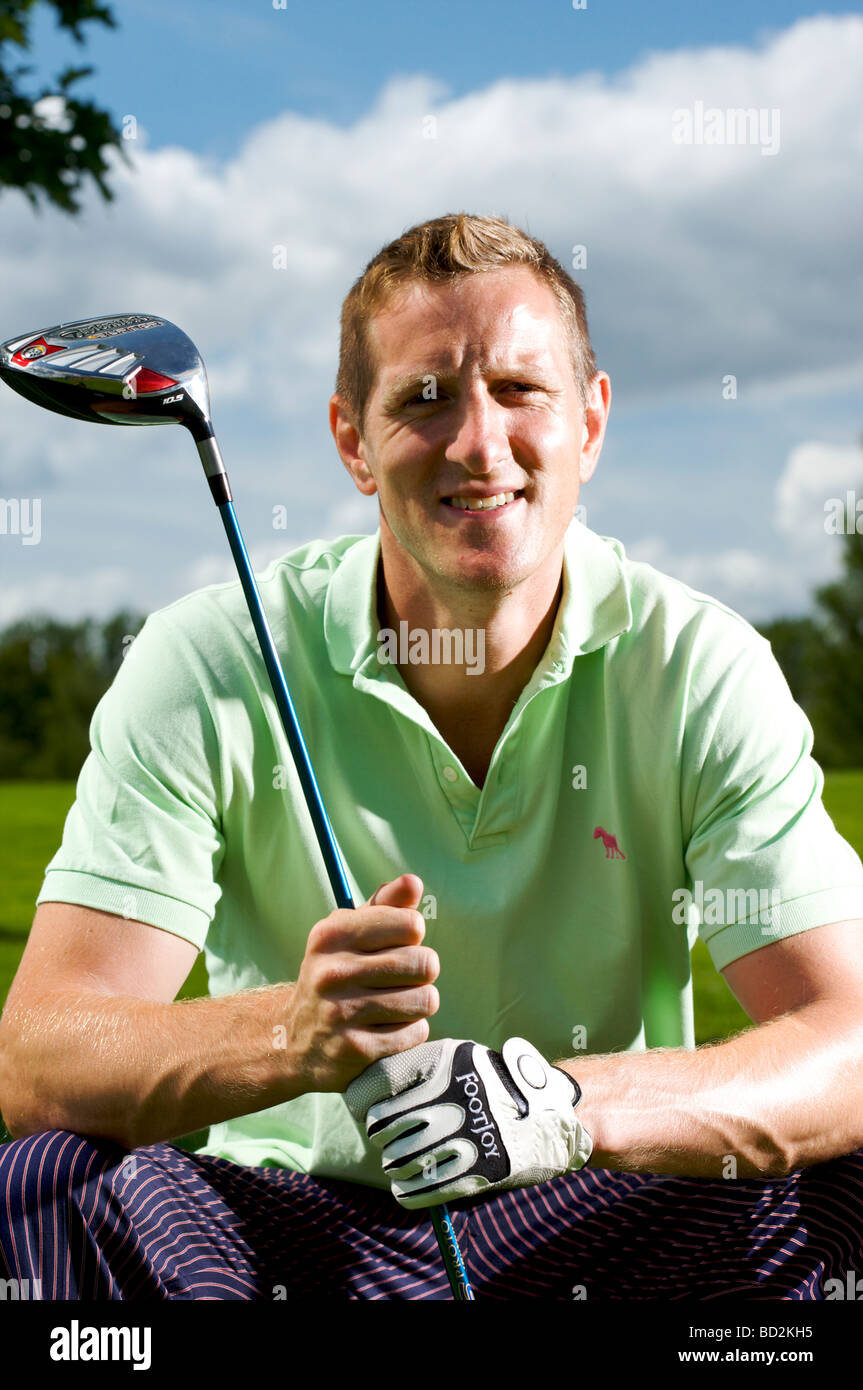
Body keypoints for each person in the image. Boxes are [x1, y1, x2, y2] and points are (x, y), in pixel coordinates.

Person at [1, 213, 862, 1302]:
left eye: (518, 390)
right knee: (47, 1182)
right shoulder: (208, 657)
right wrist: (291, 1034)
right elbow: (38, 1057)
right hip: (281, 1231)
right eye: (423, 399)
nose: (477, 443)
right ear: (350, 441)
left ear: (590, 424)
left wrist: (554, 1105)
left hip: (600, 1204)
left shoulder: (697, 663)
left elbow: (849, 1041)